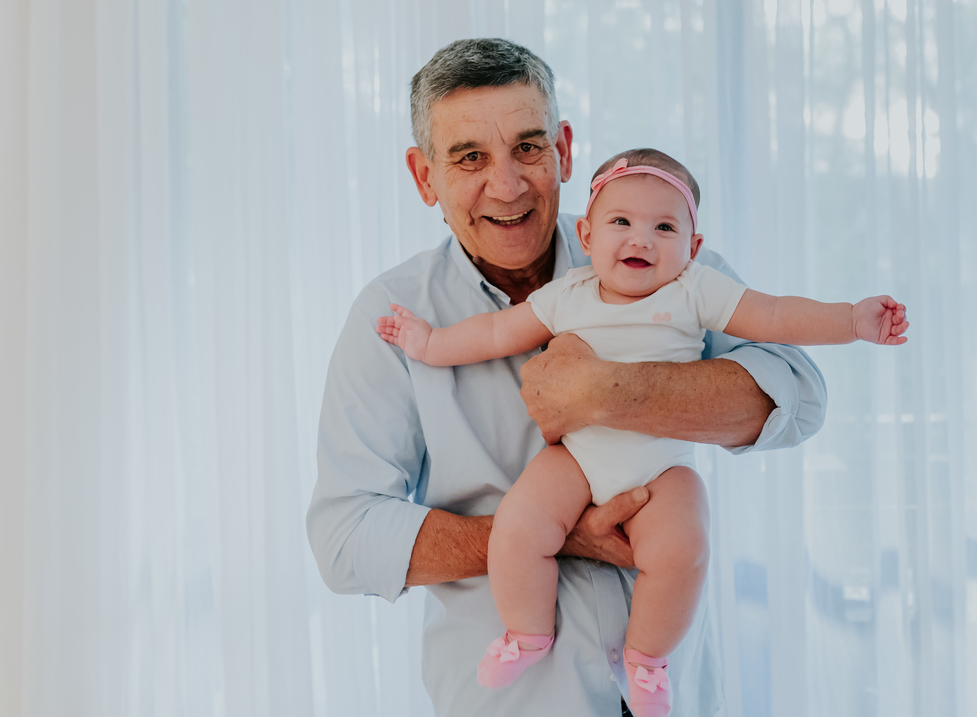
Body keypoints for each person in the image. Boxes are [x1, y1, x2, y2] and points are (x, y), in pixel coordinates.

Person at [305, 38, 829, 717]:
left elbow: (801, 392)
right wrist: (543, 532)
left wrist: (609, 391)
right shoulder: (394, 318)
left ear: (565, 151)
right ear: (424, 176)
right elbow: (345, 538)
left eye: (528, 147)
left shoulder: (652, 250)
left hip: (675, 696)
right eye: (469, 158)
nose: (507, 183)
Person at [376, 148, 907, 716]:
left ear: (692, 248)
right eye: (621, 222)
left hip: (661, 466)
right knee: (519, 525)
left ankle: (648, 659)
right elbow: (495, 332)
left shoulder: (694, 290)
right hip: (578, 457)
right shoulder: (567, 295)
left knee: (684, 548)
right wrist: (428, 344)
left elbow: (776, 315)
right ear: (587, 232)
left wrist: (851, 320)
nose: (641, 239)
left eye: (665, 227)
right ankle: (526, 634)